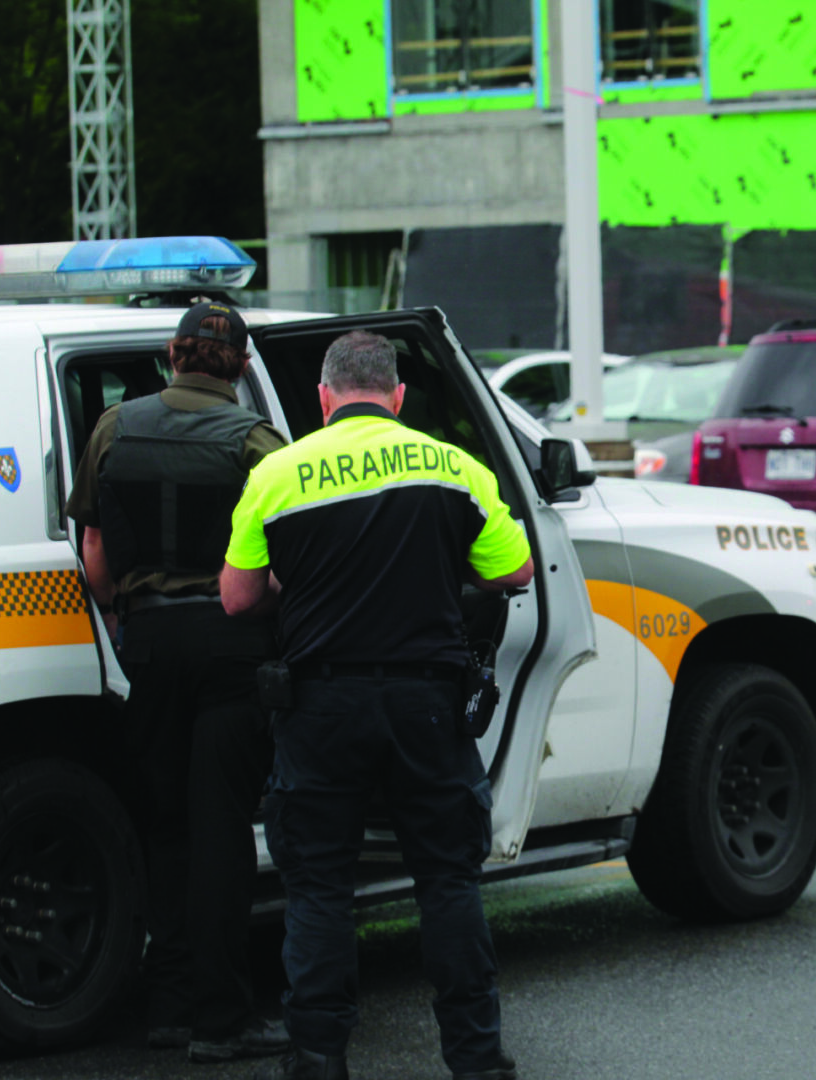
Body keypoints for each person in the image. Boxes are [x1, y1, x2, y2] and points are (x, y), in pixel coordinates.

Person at [220, 330, 533, 1080]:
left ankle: (321, 1056)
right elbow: (516, 571)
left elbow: (237, 599)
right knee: (448, 883)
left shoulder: (278, 471)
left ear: (324, 398)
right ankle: (476, 1057)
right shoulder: (456, 468)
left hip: (321, 706)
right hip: (428, 703)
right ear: (397, 397)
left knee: (320, 887)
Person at [67, 301, 291, 1063]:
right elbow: (286, 563)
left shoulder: (113, 427)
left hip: (149, 643)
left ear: (172, 354)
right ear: (240, 366)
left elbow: (94, 545)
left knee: (164, 824)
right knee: (222, 829)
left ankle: (166, 1007)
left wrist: (127, 615)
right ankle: (222, 1021)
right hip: (231, 645)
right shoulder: (258, 442)